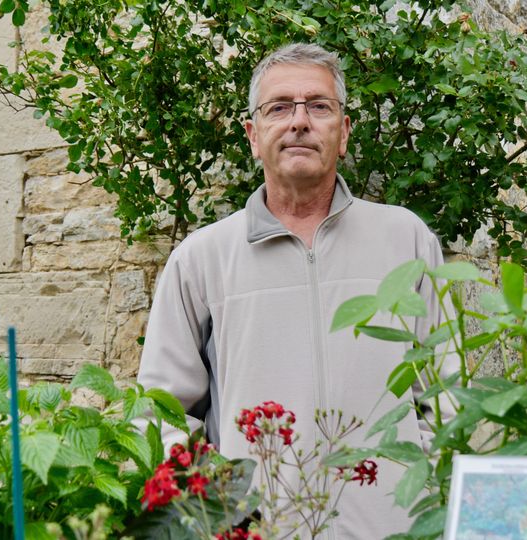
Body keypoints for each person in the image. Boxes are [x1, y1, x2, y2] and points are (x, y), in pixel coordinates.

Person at [137, 43, 454, 538]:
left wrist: (424, 504)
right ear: (253, 135)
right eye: (279, 107)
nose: (299, 121)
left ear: (343, 132)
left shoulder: (405, 239)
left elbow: (445, 394)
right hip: (258, 531)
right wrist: (222, 515)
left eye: (319, 106)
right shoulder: (202, 259)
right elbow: (163, 415)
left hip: (393, 528)